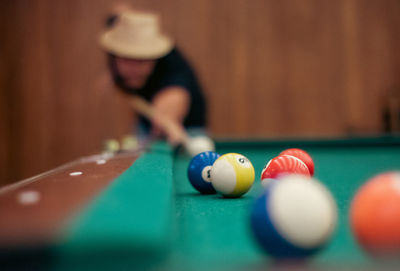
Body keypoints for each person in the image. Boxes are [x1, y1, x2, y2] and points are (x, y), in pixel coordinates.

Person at [99, 10, 207, 145]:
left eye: (141, 61)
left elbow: (174, 98)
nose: (134, 68)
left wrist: (168, 121)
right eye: (127, 59)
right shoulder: (119, 34)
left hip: (189, 129)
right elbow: (113, 17)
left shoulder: (172, 66)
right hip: (145, 121)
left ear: (154, 58)